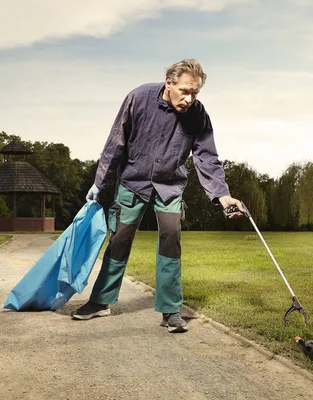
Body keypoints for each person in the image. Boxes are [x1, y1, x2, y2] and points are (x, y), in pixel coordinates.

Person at [71, 59, 243, 333]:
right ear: (169, 83)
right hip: (132, 182)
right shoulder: (138, 98)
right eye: (185, 91)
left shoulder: (198, 116)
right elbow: (116, 141)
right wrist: (98, 184)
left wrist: (223, 195)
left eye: (195, 93)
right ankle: (100, 302)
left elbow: (207, 158)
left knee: (171, 238)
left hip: (169, 186)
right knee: (119, 240)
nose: (189, 99)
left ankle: (170, 310)